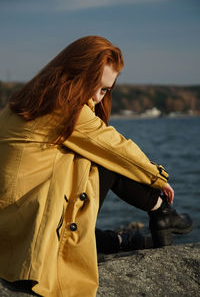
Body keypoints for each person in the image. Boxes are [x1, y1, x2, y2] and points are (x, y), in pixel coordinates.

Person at [0, 36, 193, 297]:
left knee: (83, 161)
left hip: (8, 226)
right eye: (94, 84)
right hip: (29, 234)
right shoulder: (66, 108)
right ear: (76, 71)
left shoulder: (24, 100)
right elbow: (116, 148)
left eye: (104, 90)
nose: (96, 96)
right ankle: (160, 212)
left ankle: (121, 239)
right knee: (102, 160)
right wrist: (157, 178)